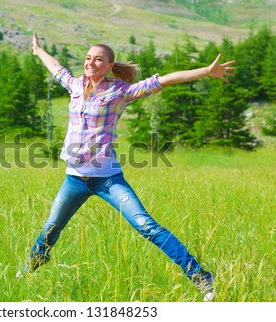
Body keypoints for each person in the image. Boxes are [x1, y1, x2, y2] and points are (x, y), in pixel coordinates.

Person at [17, 32, 235, 302]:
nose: (91, 63)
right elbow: (55, 66)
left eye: (98, 60)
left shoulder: (120, 92)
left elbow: (163, 80)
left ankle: (201, 276)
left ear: (110, 66)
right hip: (74, 179)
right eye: (88, 58)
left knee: (146, 226)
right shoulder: (74, 85)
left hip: (107, 178)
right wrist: (38, 51)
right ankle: (28, 272)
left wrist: (205, 71)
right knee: (51, 228)